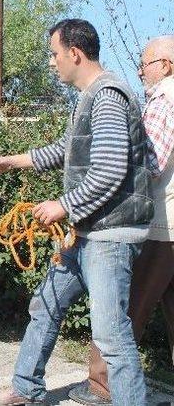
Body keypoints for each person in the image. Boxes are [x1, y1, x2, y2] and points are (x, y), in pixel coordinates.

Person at [0, 19, 153, 406]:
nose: (52, 63)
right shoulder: (89, 97)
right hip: (88, 232)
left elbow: (108, 171)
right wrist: (11, 161)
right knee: (46, 305)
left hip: (111, 236)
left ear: (74, 52)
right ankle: (26, 390)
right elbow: (67, 149)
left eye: (54, 54)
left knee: (111, 337)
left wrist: (63, 205)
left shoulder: (107, 97)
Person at [68, 35, 174, 406]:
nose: (140, 71)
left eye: (144, 64)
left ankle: (102, 387)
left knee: (123, 313)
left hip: (161, 227)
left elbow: (152, 168)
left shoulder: (164, 100)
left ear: (165, 66)